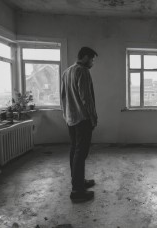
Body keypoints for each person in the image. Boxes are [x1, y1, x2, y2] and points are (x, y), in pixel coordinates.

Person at [60, 47, 98, 202]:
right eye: (92, 60)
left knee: (75, 151)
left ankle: (78, 182)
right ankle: (77, 192)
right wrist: (93, 118)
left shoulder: (67, 72)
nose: (92, 63)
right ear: (86, 57)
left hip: (71, 118)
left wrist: (66, 115)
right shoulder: (82, 71)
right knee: (81, 153)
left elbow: (62, 97)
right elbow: (86, 99)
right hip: (82, 119)